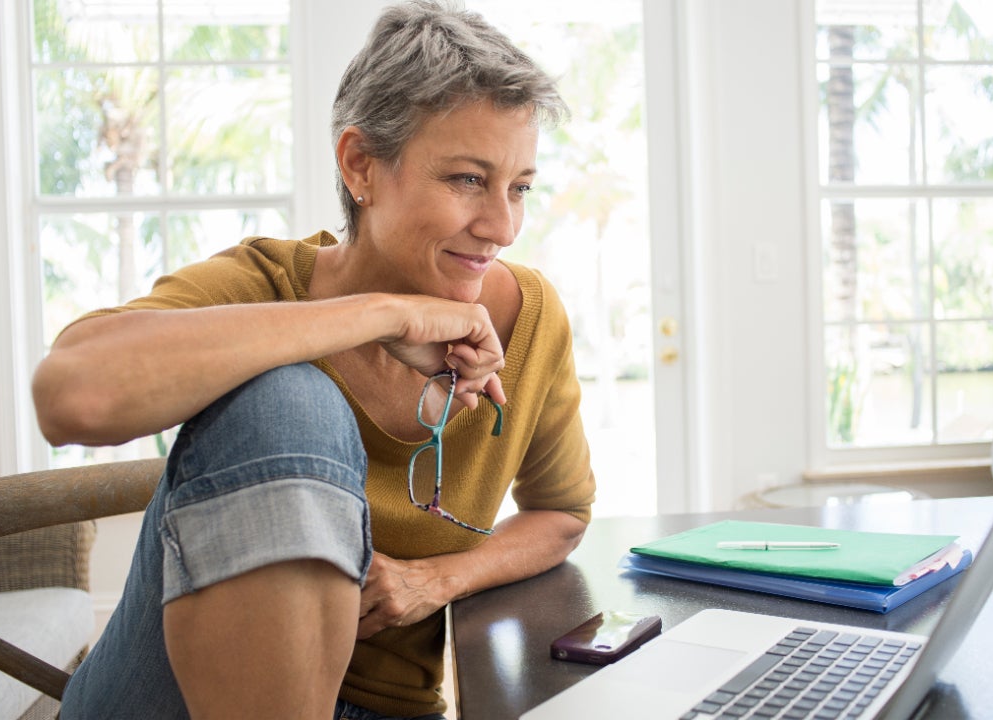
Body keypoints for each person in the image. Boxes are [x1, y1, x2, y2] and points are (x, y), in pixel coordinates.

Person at [33, 2, 596, 718]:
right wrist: (381, 315)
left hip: (388, 705)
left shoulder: (527, 319)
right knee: (286, 396)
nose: (503, 227)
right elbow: (70, 394)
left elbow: (561, 511)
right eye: (466, 179)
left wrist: (437, 579)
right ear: (360, 165)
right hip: (173, 700)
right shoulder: (262, 285)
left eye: (519, 187)